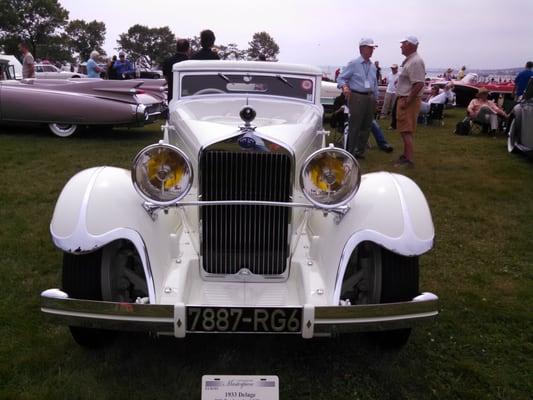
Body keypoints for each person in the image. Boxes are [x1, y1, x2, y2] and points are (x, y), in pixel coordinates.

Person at [336, 38, 379, 159]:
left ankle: (360, 151)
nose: (371, 50)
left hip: (370, 98)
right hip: (357, 97)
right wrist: (344, 87)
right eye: (369, 48)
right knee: (355, 125)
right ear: (362, 48)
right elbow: (341, 78)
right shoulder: (354, 63)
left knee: (367, 126)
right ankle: (350, 152)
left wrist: (375, 99)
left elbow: (374, 84)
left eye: (372, 48)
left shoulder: (373, 66)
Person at [394, 36, 426, 168]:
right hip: (406, 99)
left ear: (410, 45)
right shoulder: (411, 61)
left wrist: (407, 101)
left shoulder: (415, 61)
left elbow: (418, 84)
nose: (401, 46)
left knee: (407, 130)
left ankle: (408, 160)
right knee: (404, 129)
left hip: (408, 100)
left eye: (403, 44)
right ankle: (406, 156)